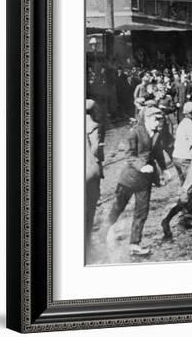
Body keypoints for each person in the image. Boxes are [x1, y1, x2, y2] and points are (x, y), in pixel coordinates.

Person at [104, 106, 171, 256]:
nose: (159, 122)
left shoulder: (156, 134)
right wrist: (142, 167)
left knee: (142, 212)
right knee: (118, 208)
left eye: (160, 119)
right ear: (147, 119)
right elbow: (129, 156)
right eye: (156, 119)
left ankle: (134, 244)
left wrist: (164, 169)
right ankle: (104, 232)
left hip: (144, 181)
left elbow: (158, 153)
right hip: (129, 179)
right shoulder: (134, 133)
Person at [84, 99, 104, 263]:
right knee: (89, 208)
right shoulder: (93, 125)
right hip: (89, 170)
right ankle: (87, 244)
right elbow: (96, 149)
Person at [172, 101, 192, 183]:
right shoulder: (190, 124)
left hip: (176, 157)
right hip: (185, 159)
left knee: (184, 185)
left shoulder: (182, 122)